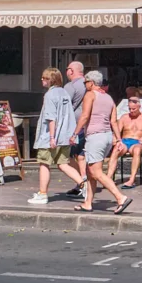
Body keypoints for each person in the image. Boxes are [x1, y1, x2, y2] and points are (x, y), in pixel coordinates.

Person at [72, 70, 132, 214]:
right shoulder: (109, 98)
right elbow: (113, 121)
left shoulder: (90, 95)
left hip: (95, 136)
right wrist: (118, 139)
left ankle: (120, 197)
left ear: (91, 83)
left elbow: (85, 116)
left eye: (85, 82)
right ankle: (88, 203)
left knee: (96, 171)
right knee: (89, 170)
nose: (85, 85)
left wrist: (75, 133)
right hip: (106, 136)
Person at [28, 67, 84, 205]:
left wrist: (52, 137)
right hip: (65, 135)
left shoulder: (50, 95)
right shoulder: (64, 93)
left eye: (44, 78)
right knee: (63, 163)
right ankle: (84, 184)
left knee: (44, 163)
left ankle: (42, 194)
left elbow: (51, 117)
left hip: (51, 136)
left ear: (51, 80)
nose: (42, 80)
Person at [110, 97, 142, 189]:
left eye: (134, 109)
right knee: (116, 149)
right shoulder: (124, 117)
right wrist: (116, 140)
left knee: (137, 150)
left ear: (139, 106)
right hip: (125, 141)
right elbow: (117, 131)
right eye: (129, 109)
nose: (131, 111)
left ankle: (131, 179)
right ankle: (108, 178)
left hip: (138, 142)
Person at [62, 62, 89, 194]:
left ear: (71, 71)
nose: (66, 72)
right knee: (82, 154)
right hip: (88, 124)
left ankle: (82, 182)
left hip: (74, 125)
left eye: (67, 69)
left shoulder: (70, 86)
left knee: (70, 155)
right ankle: (83, 181)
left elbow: (64, 106)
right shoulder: (90, 84)